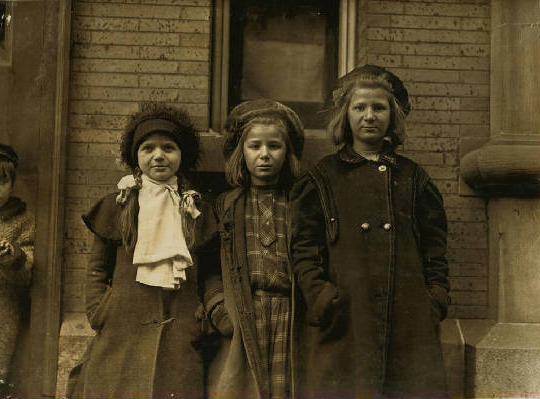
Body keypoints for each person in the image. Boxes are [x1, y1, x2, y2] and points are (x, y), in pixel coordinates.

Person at [290, 65, 450, 398]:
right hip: (347, 321)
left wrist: (433, 300)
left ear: (393, 116)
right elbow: (304, 249)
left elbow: (436, 250)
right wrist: (322, 298)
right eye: (359, 107)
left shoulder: (414, 178)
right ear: (345, 115)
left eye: (379, 107)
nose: (369, 116)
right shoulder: (322, 178)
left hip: (409, 324)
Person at [68, 104, 219, 398]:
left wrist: (202, 315)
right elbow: (97, 268)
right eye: (148, 148)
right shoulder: (119, 205)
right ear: (135, 155)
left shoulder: (195, 209)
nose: (159, 155)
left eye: (169, 147)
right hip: (121, 326)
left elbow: (211, 271)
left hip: (181, 326)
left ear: (182, 155)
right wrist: (101, 310)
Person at [204, 99, 305, 399]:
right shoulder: (225, 206)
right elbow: (208, 268)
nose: (264, 155)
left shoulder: (300, 204)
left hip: (288, 315)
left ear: (287, 153)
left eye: (274, 146)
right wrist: (218, 309)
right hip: (243, 313)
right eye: (254, 146)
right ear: (241, 152)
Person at [0, 141, 35, 399]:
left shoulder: (22, 220)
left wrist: (11, 257)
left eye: (2, 182)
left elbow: (27, 273)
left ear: (12, 184)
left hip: (2, 310)